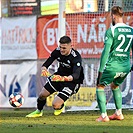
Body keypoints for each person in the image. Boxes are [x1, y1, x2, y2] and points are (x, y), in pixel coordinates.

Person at [26, 35, 84, 117]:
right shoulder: (57, 51)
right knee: (42, 95)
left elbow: (76, 75)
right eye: (60, 47)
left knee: (55, 105)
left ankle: (60, 105)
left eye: (64, 48)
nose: (61, 50)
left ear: (71, 46)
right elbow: (46, 64)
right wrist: (44, 69)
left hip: (72, 82)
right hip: (59, 77)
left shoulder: (76, 57)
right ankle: (39, 111)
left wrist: (63, 78)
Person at [96, 6, 133, 122]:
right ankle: (119, 113)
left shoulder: (111, 30)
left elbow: (106, 52)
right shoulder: (131, 30)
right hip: (126, 65)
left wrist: (100, 71)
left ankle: (103, 116)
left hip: (113, 65)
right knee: (115, 86)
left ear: (113, 16)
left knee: (100, 87)